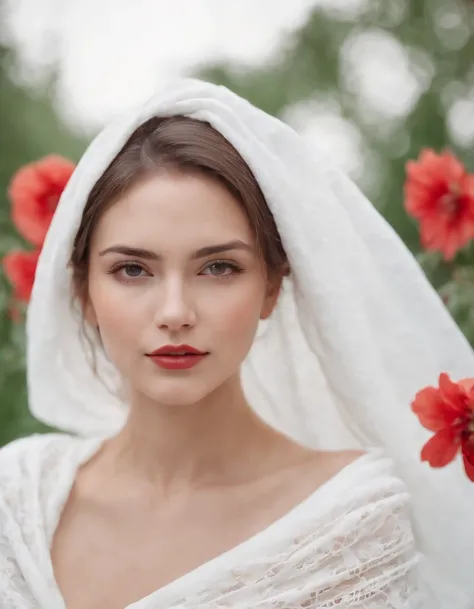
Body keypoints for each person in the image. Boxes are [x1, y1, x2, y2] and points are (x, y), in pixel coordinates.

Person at [0, 79, 473, 609]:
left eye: (218, 267)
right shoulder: (16, 501)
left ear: (272, 286)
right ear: (83, 289)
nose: (175, 312)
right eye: (133, 269)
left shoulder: (349, 525)